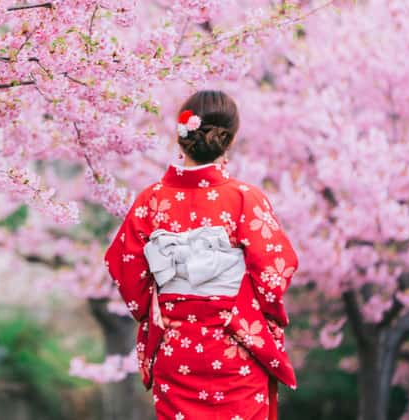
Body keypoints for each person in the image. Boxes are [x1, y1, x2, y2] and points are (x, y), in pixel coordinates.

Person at [104, 90, 299, 420]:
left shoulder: (150, 200)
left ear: (182, 138)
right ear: (229, 140)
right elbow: (273, 273)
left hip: (176, 347)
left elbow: (123, 267)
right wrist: (247, 313)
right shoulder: (245, 199)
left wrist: (159, 307)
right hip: (234, 346)